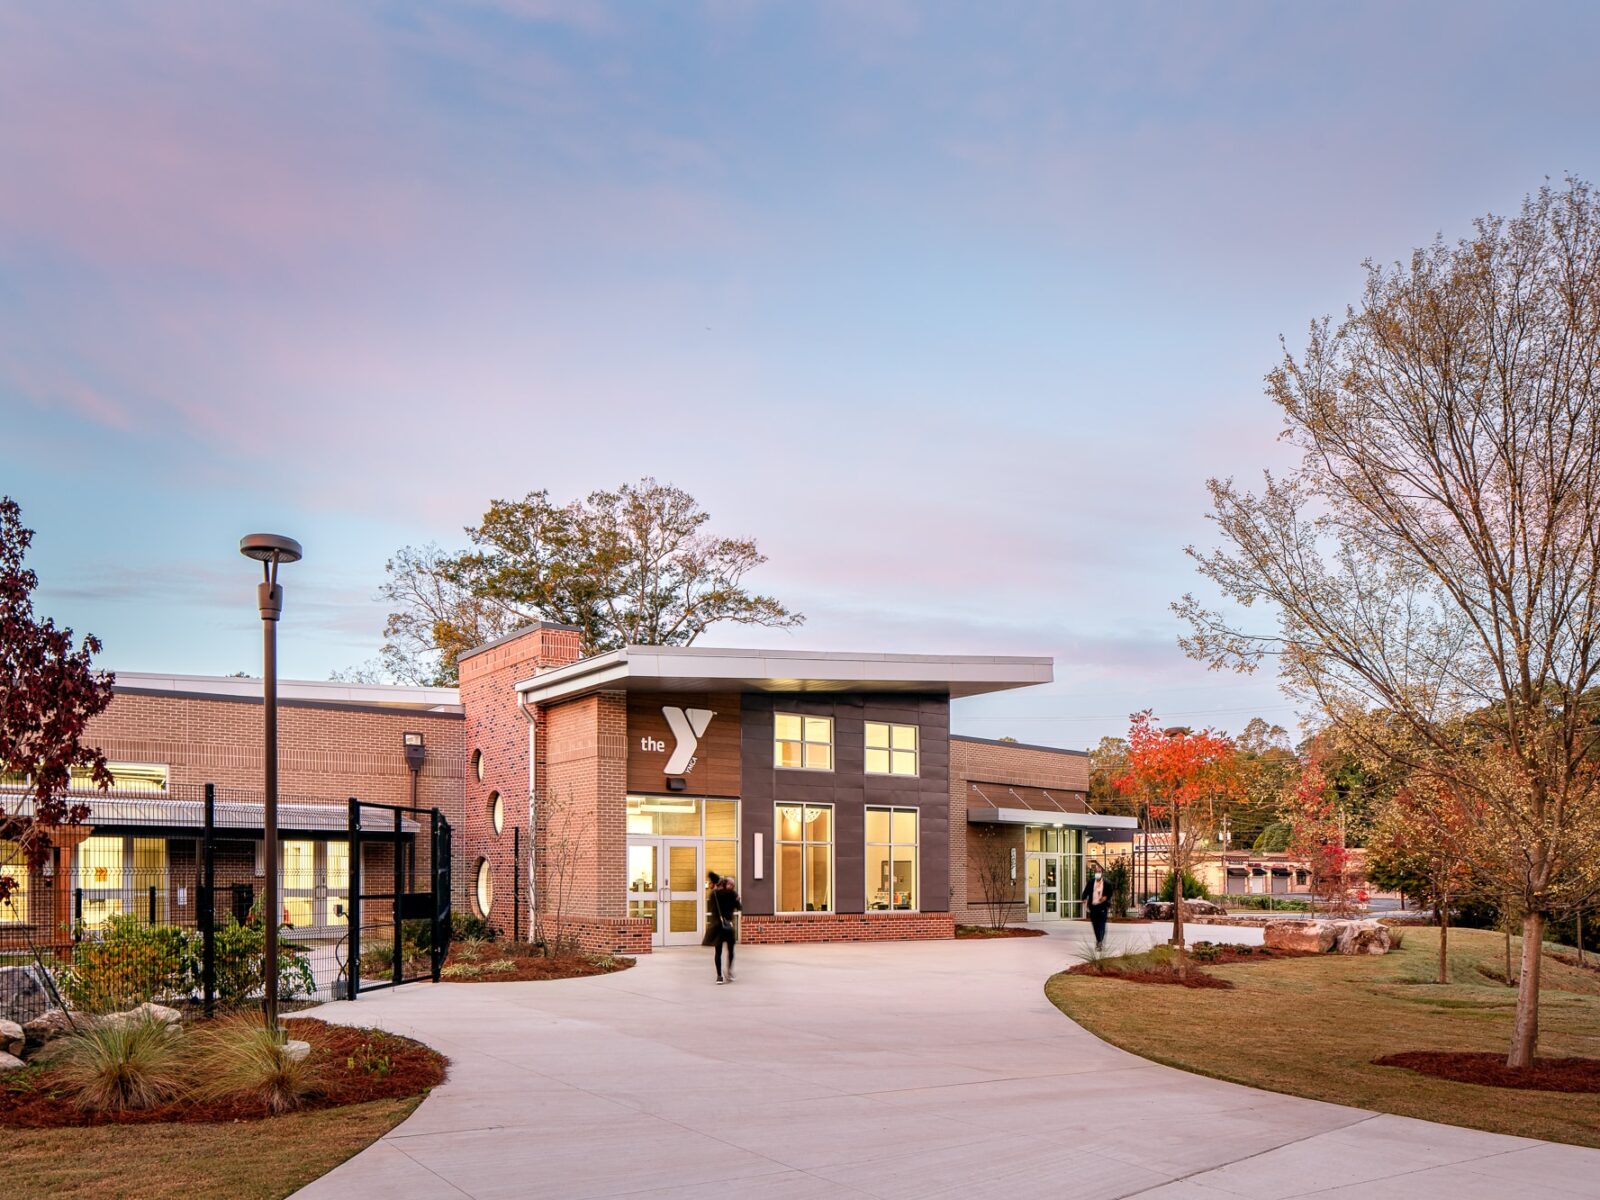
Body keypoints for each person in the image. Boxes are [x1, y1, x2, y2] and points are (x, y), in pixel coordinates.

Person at [710, 875, 741, 984]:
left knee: (718, 952)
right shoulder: (733, 894)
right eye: (729, 884)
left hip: (718, 926)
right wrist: (737, 899)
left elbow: (712, 907)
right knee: (730, 950)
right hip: (728, 926)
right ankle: (729, 972)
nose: (730, 886)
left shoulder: (715, 894)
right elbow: (740, 907)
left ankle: (719, 976)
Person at [1081, 866, 1111, 950]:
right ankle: (1098, 940)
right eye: (1096, 872)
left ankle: (1100, 941)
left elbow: (1110, 893)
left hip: (1102, 907)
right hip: (1093, 907)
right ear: (1095, 873)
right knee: (1095, 925)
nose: (1098, 873)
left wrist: (1105, 897)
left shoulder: (1107, 883)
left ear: (1102, 873)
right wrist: (1083, 898)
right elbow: (1086, 891)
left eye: (1099, 871)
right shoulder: (1091, 882)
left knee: (1101, 924)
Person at [701, 872, 723, 947]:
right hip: (717, 914)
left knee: (714, 926)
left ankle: (710, 941)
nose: (709, 885)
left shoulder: (715, 893)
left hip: (716, 914)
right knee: (715, 926)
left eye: (710, 883)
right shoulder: (716, 892)